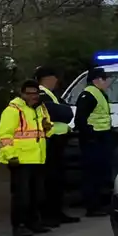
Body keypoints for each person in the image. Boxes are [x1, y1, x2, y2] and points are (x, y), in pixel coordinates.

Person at [0, 79, 51, 236]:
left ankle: (33, 222)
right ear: (22, 94)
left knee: (37, 194)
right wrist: (11, 156)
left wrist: (48, 129)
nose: (33, 96)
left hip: (37, 157)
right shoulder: (13, 110)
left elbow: (45, 130)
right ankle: (19, 225)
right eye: (29, 93)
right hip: (20, 159)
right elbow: (4, 135)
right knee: (22, 196)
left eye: (36, 93)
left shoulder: (40, 109)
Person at [34, 66, 79, 226]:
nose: (57, 81)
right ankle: (49, 215)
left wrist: (64, 110)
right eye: (54, 78)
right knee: (50, 181)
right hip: (49, 141)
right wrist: (64, 110)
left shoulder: (51, 94)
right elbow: (61, 112)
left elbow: (65, 111)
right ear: (47, 78)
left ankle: (57, 212)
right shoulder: (40, 94)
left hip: (58, 141)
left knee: (58, 180)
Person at [75, 67, 117, 217]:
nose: (107, 82)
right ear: (97, 80)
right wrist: (91, 136)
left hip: (101, 138)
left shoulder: (98, 94)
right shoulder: (89, 95)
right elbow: (80, 120)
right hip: (93, 141)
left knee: (101, 173)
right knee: (92, 175)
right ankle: (92, 207)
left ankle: (99, 204)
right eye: (105, 79)